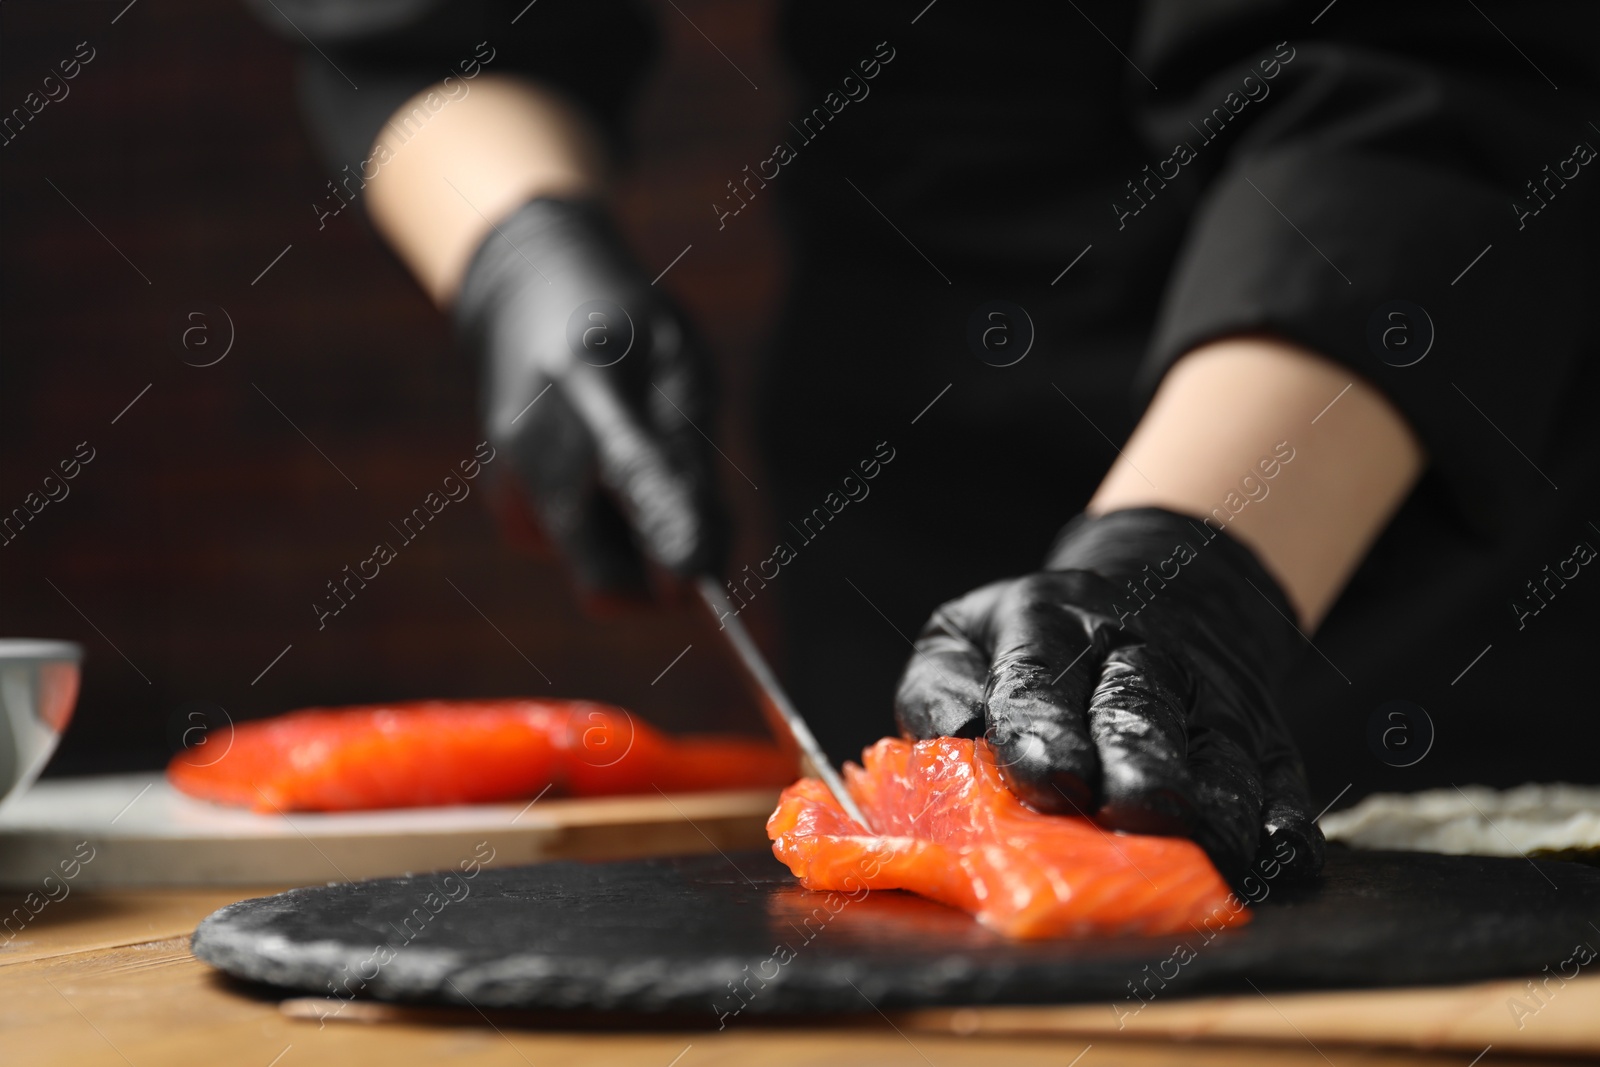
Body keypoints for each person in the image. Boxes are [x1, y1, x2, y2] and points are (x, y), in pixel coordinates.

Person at [249, 0, 1600, 889]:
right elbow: (421, 26)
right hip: (909, 474)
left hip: (1405, 494)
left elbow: (1428, 81)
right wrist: (515, 243)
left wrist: (1193, 559)